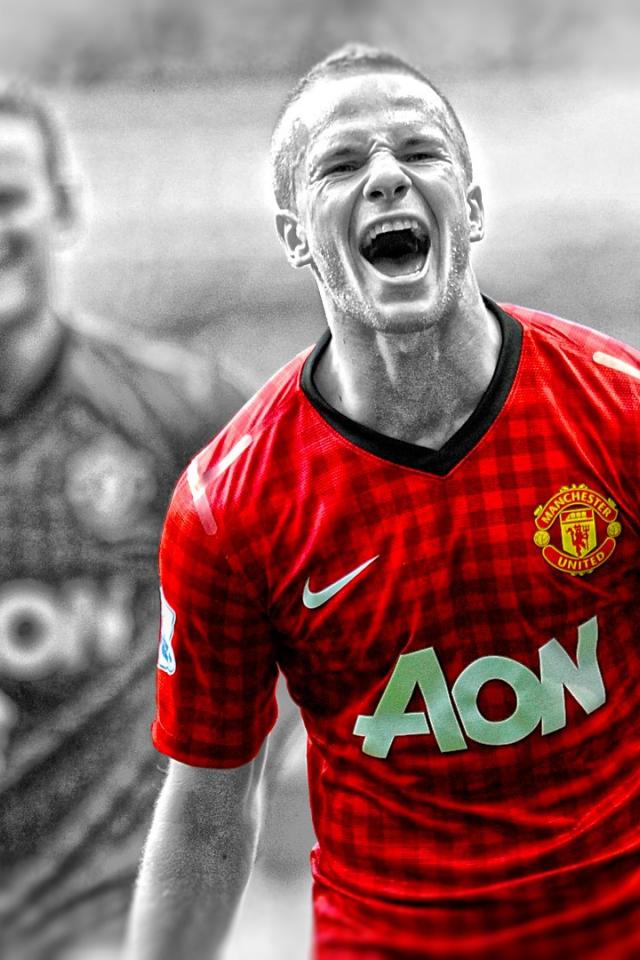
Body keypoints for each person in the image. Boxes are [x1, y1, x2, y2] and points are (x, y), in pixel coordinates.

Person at [125, 44, 640, 960]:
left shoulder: (618, 410)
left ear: (471, 207)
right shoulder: (231, 505)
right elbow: (207, 810)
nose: (388, 176)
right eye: (340, 164)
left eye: (421, 150)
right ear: (294, 235)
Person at [0, 82, 248, 960]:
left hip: (107, 930)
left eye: (9, 198)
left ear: (64, 207)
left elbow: (313, 594)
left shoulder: (179, 414)